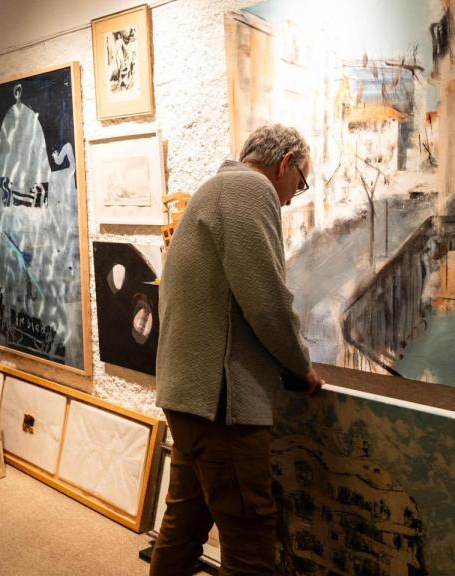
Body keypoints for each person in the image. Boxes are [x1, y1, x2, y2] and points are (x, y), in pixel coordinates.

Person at [151, 124, 326, 575]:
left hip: (191, 396)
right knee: (250, 537)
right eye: (299, 183)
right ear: (285, 162)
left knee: (185, 523)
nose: (292, 197)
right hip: (219, 405)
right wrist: (301, 366)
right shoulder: (249, 188)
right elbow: (267, 300)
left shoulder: (217, 188)